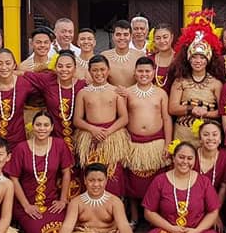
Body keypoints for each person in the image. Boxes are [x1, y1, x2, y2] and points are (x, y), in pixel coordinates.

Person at [142, 142, 226, 233]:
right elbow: (148, 212)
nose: (185, 162)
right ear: (174, 158)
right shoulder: (160, 180)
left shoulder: (203, 181)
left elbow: (213, 212)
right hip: (167, 232)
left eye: (189, 158)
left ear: (194, 161)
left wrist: (196, 230)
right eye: (181, 157)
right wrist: (171, 228)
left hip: (195, 232)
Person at [7, 111, 74, 233]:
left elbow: (66, 173)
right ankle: (25, 226)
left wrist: (62, 200)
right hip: (28, 204)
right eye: (38, 125)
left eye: (45, 125)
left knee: (62, 230)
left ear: (52, 127)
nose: (42, 128)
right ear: (32, 126)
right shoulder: (22, 148)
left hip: (51, 203)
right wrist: (26, 206)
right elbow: (13, 178)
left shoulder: (59, 145)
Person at [50, 163, 140, 233]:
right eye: (91, 180)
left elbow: (124, 226)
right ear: (85, 181)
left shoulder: (115, 202)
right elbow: (67, 226)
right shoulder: (76, 202)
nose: (96, 184)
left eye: (100, 180)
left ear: (106, 181)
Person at [74, 55, 130, 198]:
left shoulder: (115, 91)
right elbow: (77, 120)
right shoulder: (83, 93)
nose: (99, 73)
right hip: (90, 137)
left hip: (111, 137)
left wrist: (108, 131)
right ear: (89, 72)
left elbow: (124, 118)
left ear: (108, 70)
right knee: (91, 174)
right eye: (95, 70)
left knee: (112, 175)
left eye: (102, 69)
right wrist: (92, 129)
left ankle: (115, 210)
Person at [124, 57, 173, 220]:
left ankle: (156, 216)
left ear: (153, 73)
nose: (144, 74)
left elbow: (166, 119)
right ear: (134, 72)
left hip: (156, 143)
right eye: (140, 71)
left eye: (147, 71)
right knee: (132, 181)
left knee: (156, 182)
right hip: (134, 143)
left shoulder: (161, 93)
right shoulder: (127, 92)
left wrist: (168, 143)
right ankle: (135, 217)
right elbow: (123, 118)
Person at [169, 14, 223, 147]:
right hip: (183, 134)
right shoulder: (180, 81)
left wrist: (206, 112)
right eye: (194, 57)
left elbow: (222, 111)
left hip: (208, 136)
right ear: (189, 59)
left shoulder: (216, 83)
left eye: (202, 58)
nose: (198, 61)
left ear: (208, 60)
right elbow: (172, 108)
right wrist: (191, 109)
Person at [195, 121, 226, 233]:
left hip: (216, 204)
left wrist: (214, 213)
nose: (210, 138)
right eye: (206, 135)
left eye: (215, 134)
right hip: (193, 204)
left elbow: (223, 186)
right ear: (200, 139)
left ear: (220, 139)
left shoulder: (225, 156)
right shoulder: (192, 155)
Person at [101, 20, 142, 86]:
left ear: (131, 37)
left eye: (125, 35)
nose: (122, 38)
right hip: (111, 95)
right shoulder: (104, 56)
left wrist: (128, 92)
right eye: (118, 34)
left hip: (134, 95)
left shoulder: (140, 56)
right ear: (113, 36)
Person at [148, 23, 175, 93]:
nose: (162, 41)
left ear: (172, 38)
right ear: (154, 40)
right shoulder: (149, 60)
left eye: (165, 37)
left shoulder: (179, 59)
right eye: (158, 38)